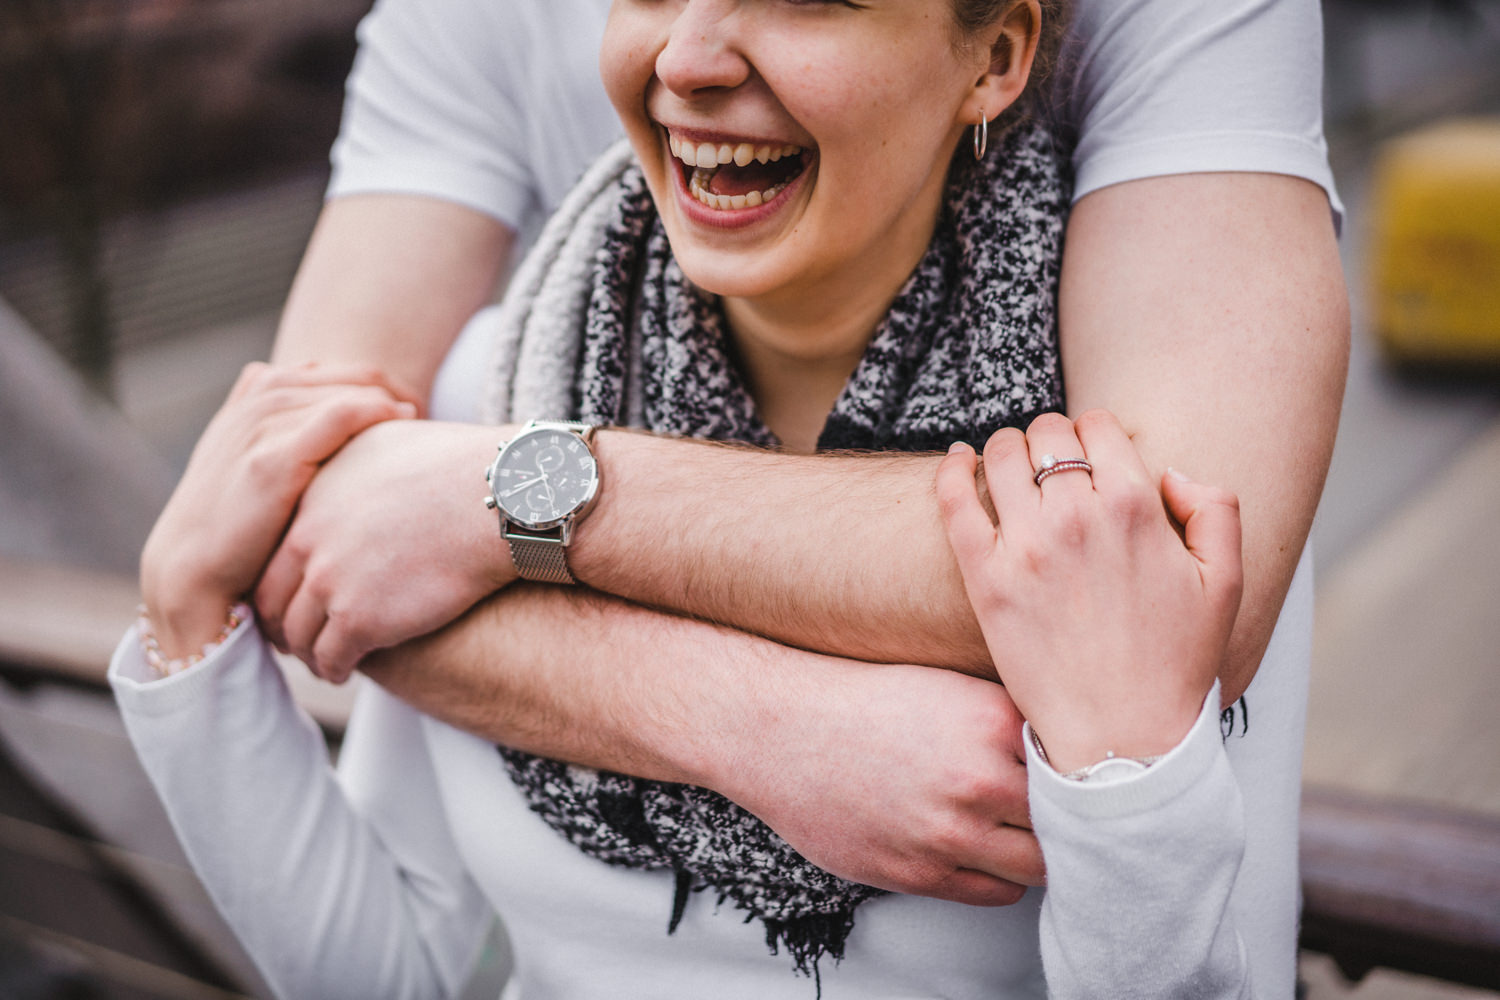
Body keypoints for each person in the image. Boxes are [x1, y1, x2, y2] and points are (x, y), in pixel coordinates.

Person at [112, 1, 1335, 996]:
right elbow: (407, 971)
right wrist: (184, 631)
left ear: (996, 57)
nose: (690, 61)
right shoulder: (481, 397)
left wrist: (524, 503)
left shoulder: (1111, 499)